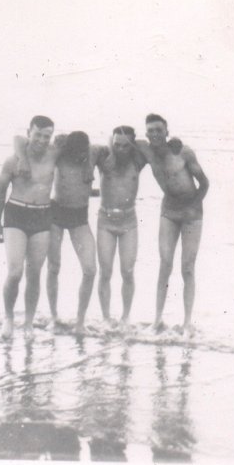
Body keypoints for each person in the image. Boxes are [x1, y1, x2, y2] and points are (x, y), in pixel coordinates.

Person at [14, 131, 98, 333]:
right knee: (54, 266)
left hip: (80, 217)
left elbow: (105, 148)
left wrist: (89, 161)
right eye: (76, 152)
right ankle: (54, 317)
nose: (80, 156)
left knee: (90, 269)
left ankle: (79, 322)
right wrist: (23, 159)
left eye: (83, 153)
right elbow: (19, 139)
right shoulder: (59, 153)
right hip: (56, 214)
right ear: (68, 149)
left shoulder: (92, 154)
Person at [140, 113, 209, 334]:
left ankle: (187, 322)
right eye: (151, 131)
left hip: (192, 210)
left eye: (159, 130)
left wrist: (193, 204)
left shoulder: (183, 152)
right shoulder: (147, 150)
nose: (155, 134)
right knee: (165, 264)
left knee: (187, 268)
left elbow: (205, 183)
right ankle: (157, 320)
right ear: (146, 134)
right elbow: (121, 144)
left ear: (167, 131)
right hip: (169, 209)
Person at [0, 115, 56, 338]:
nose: (41, 140)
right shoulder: (13, 161)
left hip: (42, 215)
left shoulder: (54, 154)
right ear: (29, 133)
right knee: (15, 272)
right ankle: (9, 317)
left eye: (46, 136)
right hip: (16, 214)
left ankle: (28, 323)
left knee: (34, 273)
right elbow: (0, 193)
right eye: (37, 134)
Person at [93, 126, 148, 326]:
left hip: (129, 221)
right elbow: (91, 151)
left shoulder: (138, 161)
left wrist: (133, 144)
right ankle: (106, 318)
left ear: (132, 146)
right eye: (116, 144)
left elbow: (148, 146)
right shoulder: (104, 159)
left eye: (125, 145)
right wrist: (108, 145)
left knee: (127, 270)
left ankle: (125, 318)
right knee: (105, 271)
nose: (120, 149)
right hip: (105, 219)